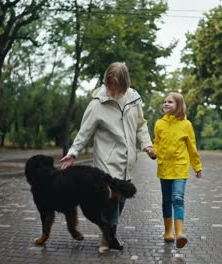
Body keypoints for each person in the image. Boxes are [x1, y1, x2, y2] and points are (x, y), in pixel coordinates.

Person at [60, 62, 154, 252]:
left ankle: (110, 236)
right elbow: (84, 131)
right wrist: (72, 153)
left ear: (125, 83)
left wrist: (147, 144)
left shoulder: (134, 99)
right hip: (106, 160)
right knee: (109, 200)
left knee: (120, 200)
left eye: (116, 85)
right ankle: (108, 239)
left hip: (127, 160)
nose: (112, 89)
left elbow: (141, 124)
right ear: (105, 81)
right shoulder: (97, 103)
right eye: (109, 84)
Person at [146, 92, 202, 249]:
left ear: (179, 105)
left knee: (178, 198)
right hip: (164, 168)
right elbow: (157, 143)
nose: (165, 104)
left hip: (180, 168)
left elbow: (192, 147)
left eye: (170, 102)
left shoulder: (186, 125)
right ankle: (168, 232)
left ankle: (179, 234)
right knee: (166, 200)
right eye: (164, 102)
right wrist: (153, 152)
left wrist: (197, 166)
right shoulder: (159, 124)